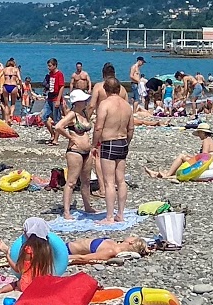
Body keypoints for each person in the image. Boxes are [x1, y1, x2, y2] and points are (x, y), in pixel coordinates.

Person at [94, 77, 133, 223]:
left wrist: (94, 144)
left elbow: (98, 127)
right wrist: (127, 142)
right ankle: (121, 214)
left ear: (105, 89)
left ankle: (109, 216)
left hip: (109, 143)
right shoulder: (127, 105)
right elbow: (131, 128)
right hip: (122, 142)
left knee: (109, 182)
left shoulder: (105, 104)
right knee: (121, 180)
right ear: (119, 89)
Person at [55, 91, 97, 219]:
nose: (86, 102)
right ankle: (67, 211)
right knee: (72, 182)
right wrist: (71, 138)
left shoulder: (83, 113)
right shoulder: (72, 115)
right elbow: (58, 126)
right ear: (77, 102)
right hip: (75, 152)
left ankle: (87, 206)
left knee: (86, 180)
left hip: (87, 151)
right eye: (83, 100)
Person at [0, 217, 58, 293]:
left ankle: (0, 290)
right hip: (41, 284)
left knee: (15, 283)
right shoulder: (47, 249)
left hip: (27, 285)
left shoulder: (28, 250)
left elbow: (18, 269)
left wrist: (7, 255)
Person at [147, 124, 213, 178]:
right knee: (185, 156)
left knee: (182, 156)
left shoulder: (206, 140)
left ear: (203, 133)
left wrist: (191, 157)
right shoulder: (210, 140)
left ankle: (167, 175)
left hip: (205, 164)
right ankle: (157, 174)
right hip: (210, 162)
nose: (199, 135)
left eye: (199, 133)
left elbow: (204, 156)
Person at [67, 235, 151, 264]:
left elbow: (84, 258)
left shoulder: (111, 251)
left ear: (132, 242)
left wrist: (65, 257)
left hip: (65, 250)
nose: (131, 235)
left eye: (134, 236)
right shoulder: (115, 244)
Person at [41, 59, 66, 145]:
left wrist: (59, 100)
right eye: (48, 66)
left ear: (55, 65)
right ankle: (52, 134)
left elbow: (62, 87)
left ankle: (56, 139)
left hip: (56, 99)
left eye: (50, 66)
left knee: (57, 120)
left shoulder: (59, 74)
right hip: (49, 98)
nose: (48, 68)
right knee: (43, 116)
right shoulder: (50, 75)